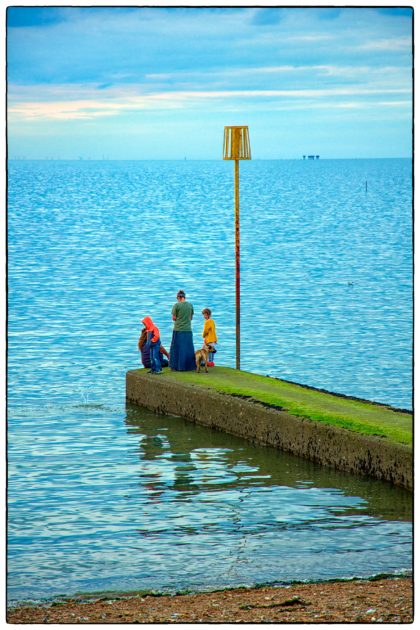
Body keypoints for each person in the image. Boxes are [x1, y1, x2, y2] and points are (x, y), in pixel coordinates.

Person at [169, 290, 196, 371]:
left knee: (177, 348)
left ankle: (176, 366)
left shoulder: (176, 305)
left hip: (178, 329)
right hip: (188, 329)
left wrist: (179, 318)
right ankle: (189, 366)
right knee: (188, 348)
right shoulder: (190, 305)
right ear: (184, 297)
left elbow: (174, 318)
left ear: (179, 297)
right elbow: (191, 318)